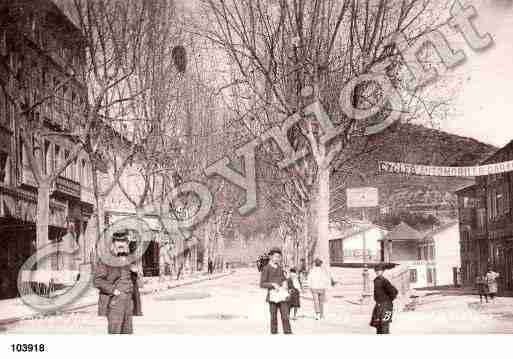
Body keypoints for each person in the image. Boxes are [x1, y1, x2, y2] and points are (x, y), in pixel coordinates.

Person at [94, 230, 142, 334]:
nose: (121, 243)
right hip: (115, 302)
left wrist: (136, 273)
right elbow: (97, 280)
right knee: (115, 333)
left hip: (129, 303)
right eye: (118, 241)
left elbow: (136, 283)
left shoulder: (130, 259)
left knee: (127, 333)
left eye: (124, 241)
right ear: (113, 243)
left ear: (127, 243)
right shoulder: (106, 259)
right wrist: (113, 291)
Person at [260, 247, 292, 334]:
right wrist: (273, 285)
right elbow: (262, 284)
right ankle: (274, 334)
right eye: (276, 256)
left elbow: (283, 279)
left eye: (279, 257)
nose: (277, 258)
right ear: (271, 257)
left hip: (282, 295)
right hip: (272, 297)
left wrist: (286, 281)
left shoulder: (280, 268)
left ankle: (288, 333)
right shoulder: (266, 269)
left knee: (285, 317)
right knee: (273, 318)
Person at [370, 264, 398, 335]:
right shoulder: (375, 280)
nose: (377, 272)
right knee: (378, 325)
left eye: (379, 271)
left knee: (385, 324)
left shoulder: (385, 281)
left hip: (387, 306)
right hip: (378, 305)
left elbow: (393, 291)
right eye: (376, 271)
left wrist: (389, 300)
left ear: (382, 271)